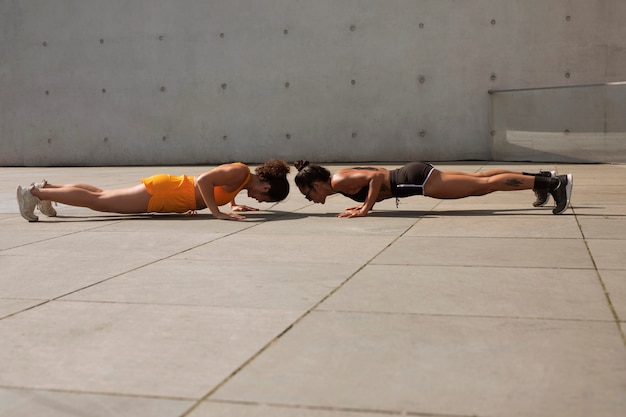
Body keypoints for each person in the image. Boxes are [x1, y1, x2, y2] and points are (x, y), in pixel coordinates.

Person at [16, 160, 290, 222]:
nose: (258, 200)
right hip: (168, 193)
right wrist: (217, 212)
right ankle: (35, 194)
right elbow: (205, 180)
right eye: (264, 198)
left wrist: (231, 205)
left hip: (169, 192)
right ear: (266, 186)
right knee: (100, 202)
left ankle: (45, 189)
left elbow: (218, 188)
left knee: (101, 194)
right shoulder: (241, 172)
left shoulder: (242, 180)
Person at [293, 160, 573, 217]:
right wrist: (367, 201)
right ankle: (543, 177)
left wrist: (366, 207)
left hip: (418, 180)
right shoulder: (340, 184)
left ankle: (554, 184)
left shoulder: (338, 181)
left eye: (308, 194)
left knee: (484, 185)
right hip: (414, 174)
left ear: (315, 184)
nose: (311, 199)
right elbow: (375, 175)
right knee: (482, 180)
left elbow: (376, 178)